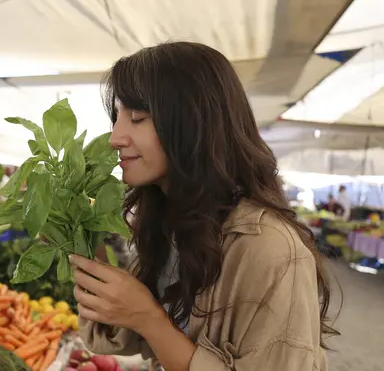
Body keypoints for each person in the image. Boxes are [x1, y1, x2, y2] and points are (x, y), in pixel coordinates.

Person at [69, 42, 337, 371]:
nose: (115, 137)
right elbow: (114, 337)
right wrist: (84, 247)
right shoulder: (170, 222)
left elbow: (150, 328)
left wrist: (151, 320)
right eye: (117, 117)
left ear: (193, 122)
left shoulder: (270, 249)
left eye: (137, 117)